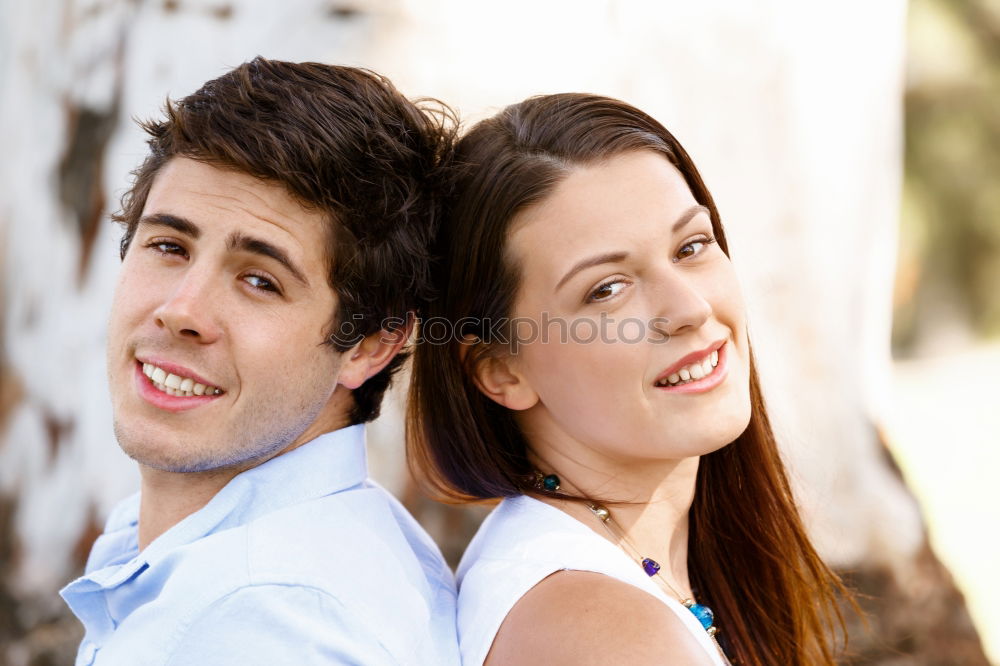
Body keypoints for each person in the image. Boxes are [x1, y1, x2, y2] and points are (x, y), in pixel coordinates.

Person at [408, 93, 852, 665]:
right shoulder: (596, 631)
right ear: (501, 371)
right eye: (607, 289)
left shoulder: (625, 581)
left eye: (691, 246)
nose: (689, 308)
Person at [60, 57, 459, 666]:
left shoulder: (264, 622)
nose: (181, 309)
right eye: (169, 245)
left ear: (370, 344)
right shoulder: (221, 552)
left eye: (260, 281)